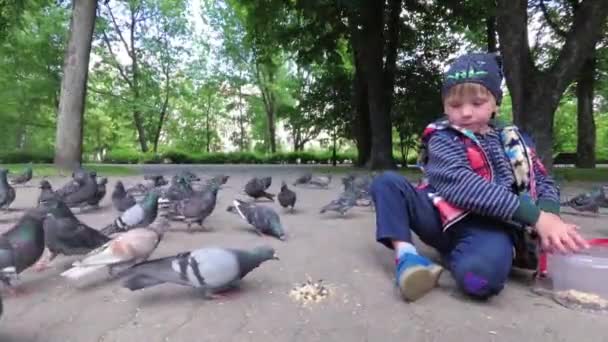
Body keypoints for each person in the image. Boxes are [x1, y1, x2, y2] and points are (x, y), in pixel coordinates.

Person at [370, 52, 589, 302]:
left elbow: (543, 179)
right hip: (440, 216)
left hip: (490, 226)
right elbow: (462, 186)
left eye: (477, 103)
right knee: (387, 183)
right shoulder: (442, 138)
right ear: (444, 106)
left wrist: (549, 217)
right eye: (454, 105)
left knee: (479, 282)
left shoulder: (516, 140)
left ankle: (464, 257)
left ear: (495, 102)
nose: (465, 113)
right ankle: (407, 256)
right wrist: (534, 217)